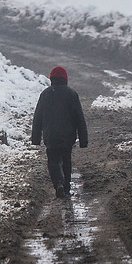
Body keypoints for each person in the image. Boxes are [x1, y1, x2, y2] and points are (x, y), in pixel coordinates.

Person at [31, 66, 88, 198]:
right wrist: (83, 139)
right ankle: (66, 187)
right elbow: (79, 118)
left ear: (51, 79)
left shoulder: (45, 94)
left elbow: (37, 117)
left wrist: (35, 138)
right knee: (66, 160)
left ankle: (58, 183)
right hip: (68, 136)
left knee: (53, 161)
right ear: (65, 79)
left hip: (51, 136)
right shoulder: (72, 94)